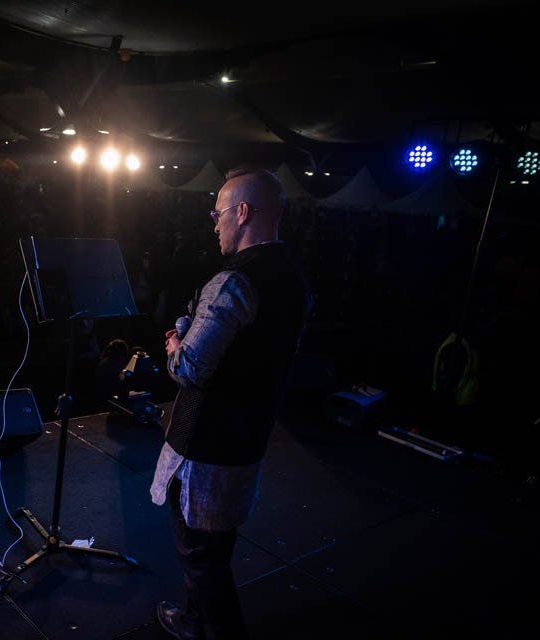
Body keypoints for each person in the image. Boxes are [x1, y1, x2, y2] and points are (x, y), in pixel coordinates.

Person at [151, 167, 311, 639]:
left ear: (242, 213)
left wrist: (175, 346)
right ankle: (194, 619)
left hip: (207, 441)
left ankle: (212, 628)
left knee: (200, 555)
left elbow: (189, 370)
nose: (214, 222)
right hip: (250, 436)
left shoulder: (232, 281)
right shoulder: (296, 278)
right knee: (215, 548)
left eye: (218, 213)